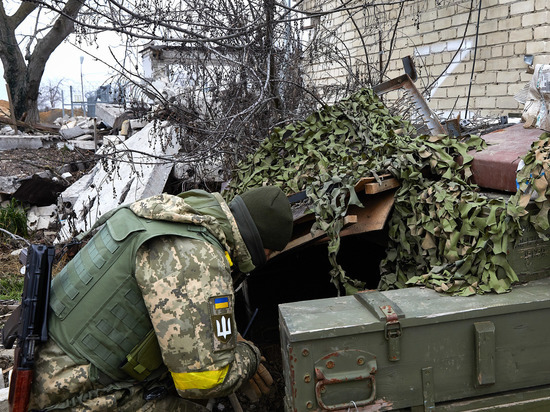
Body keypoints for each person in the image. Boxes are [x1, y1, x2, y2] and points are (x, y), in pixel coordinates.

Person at [27, 186, 294, 411]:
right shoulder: (198, 259)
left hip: (50, 362)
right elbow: (204, 381)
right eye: (270, 254)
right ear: (263, 247)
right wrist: (248, 356)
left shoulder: (170, 215)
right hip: (73, 392)